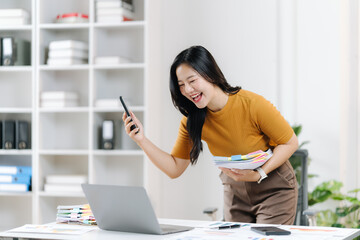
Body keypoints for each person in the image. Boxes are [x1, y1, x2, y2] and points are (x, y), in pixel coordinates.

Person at [122, 45, 299, 224]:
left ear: (210, 74)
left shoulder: (253, 105)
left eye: (192, 81)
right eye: (181, 85)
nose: (188, 90)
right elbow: (174, 168)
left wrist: (259, 173)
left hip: (273, 188)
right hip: (236, 192)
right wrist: (141, 140)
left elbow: (290, 143)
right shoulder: (192, 121)